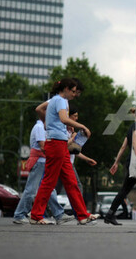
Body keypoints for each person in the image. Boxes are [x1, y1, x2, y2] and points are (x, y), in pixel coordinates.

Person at [29, 78, 98, 225]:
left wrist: (48, 124)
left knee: (71, 181)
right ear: (65, 89)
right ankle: (36, 215)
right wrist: (82, 126)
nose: (74, 94)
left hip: (59, 143)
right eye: (73, 91)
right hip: (56, 144)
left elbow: (43, 111)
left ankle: (82, 215)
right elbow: (63, 118)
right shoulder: (60, 100)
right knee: (49, 181)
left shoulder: (56, 100)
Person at [12, 113, 73, 225]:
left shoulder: (44, 128)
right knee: (31, 190)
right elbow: (43, 146)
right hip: (39, 162)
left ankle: (59, 214)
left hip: (44, 162)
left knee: (49, 189)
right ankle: (19, 214)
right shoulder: (39, 127)